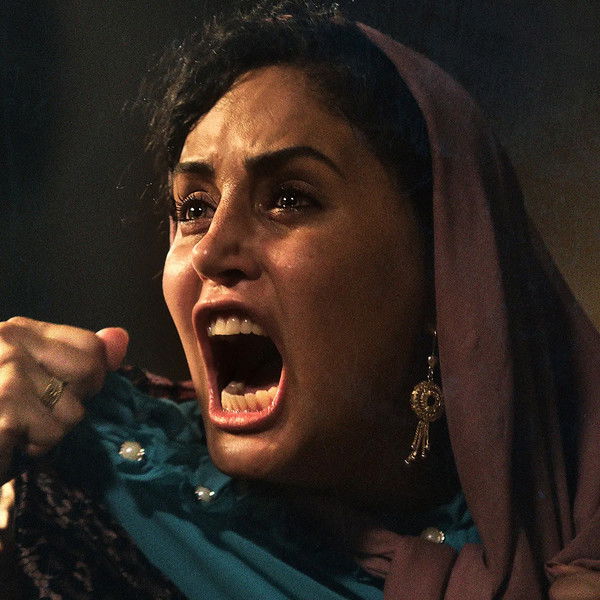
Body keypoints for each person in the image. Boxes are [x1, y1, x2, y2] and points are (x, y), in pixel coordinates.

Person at [1, 2, 599, 598]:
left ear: (445, 269)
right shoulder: (82, 510)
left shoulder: (575, 528)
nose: (210, 251)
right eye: (194, 207)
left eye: (289, 198)